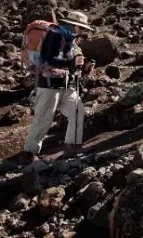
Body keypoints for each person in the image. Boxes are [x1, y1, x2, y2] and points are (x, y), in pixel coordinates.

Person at [20, 12, 95, 164]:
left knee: (77, 110)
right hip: (48, 85)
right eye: (81, 28)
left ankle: (71, 147)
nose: (83, 32)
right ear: (74, 25)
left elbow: (72, 62)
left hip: (66, 84)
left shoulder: (70, 40)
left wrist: (84, 66)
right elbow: (50, 59)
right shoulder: (55, 35)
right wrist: (71, 64)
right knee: (43, 120)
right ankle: (29, 155)